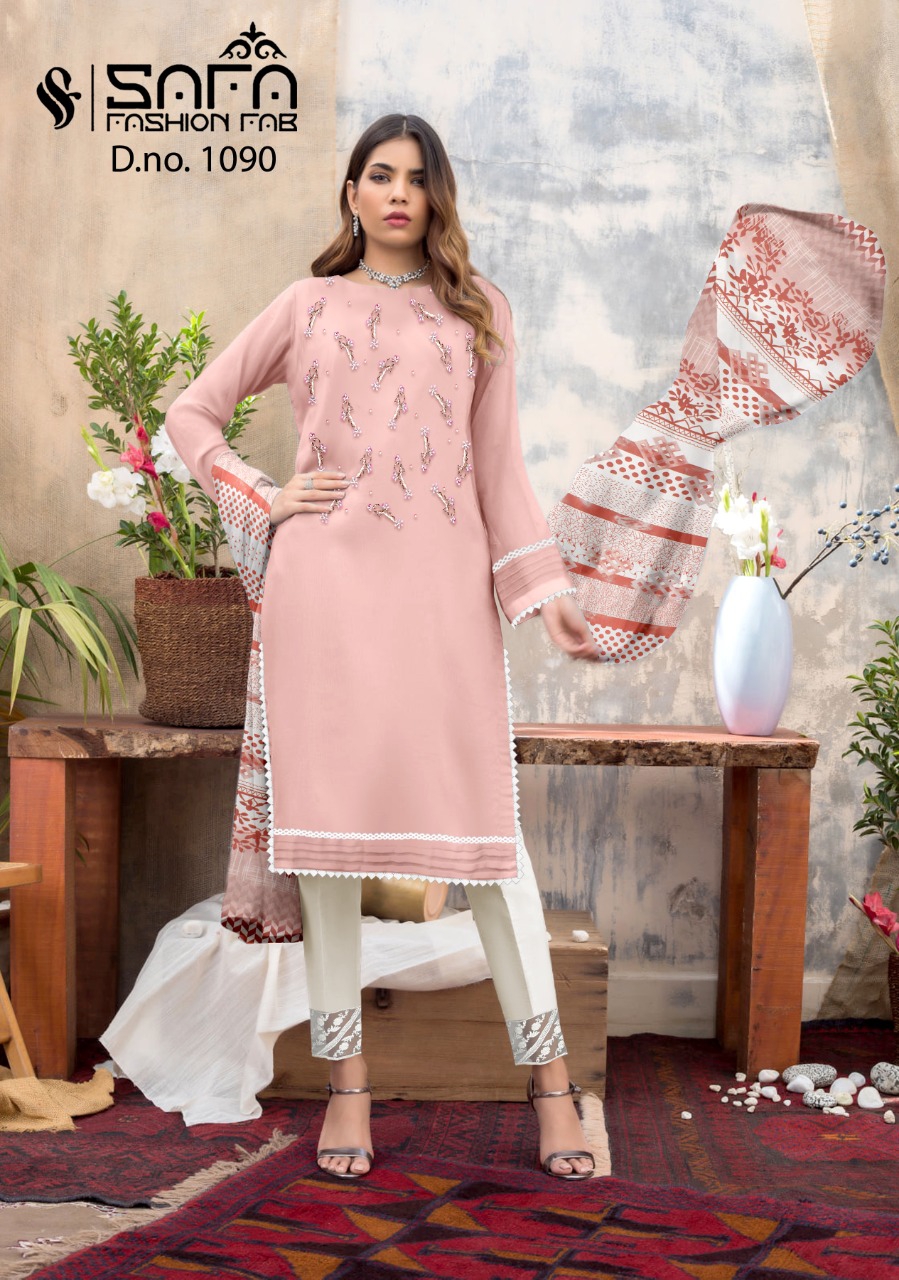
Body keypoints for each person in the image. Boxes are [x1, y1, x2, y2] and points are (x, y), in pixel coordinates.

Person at [165, 112, 600, 1181]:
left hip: (443, 606)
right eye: (379, 174)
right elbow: (192, 413)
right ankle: (346, 1087)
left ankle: (550, 1084)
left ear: (436, 195)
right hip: (324, 601)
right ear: (351, 192)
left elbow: (499, 470)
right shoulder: (306, 304)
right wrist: (263, 492)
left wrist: (545, 592)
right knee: (329, 850)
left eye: (416, 177)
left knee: (487, 850)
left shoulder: (479, 308)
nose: (398, 192)